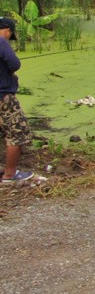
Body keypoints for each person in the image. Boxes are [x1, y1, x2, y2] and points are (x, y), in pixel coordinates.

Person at [0, 17, 35, 184]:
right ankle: (10, 175)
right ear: (7, 30)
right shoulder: (1, 41)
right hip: (3, 98)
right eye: (10, 34)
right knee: (17, 132)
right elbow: (14, 64)